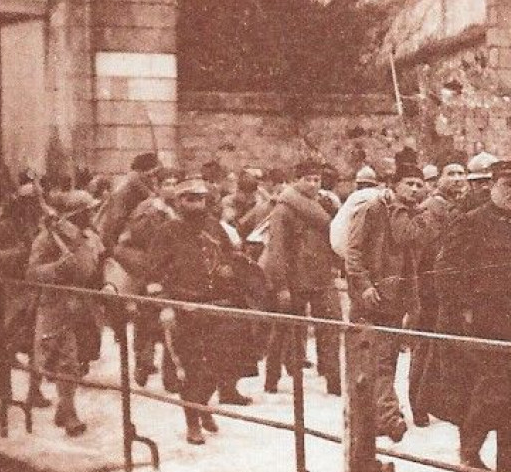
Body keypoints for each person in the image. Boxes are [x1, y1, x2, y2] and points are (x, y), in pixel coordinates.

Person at [436, 160, 511, 472]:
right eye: (506, 185)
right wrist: (464, 311)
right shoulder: (471, 222)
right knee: (491, 393)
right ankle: (469, 452)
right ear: (492, 186)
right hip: (487, 325)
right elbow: (446, 271)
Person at [147, 178, 250, 445]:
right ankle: (193, 422)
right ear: (179, 202)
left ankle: (203, 406)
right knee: (192, 369)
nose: (197, 204)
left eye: (201, 199)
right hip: (185, 309)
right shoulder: (167, 232)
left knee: (220, 364)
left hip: (216, 306)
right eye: (190, 199)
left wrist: (231, 271)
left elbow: (230, 259)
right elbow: (154, 275)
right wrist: (166, 306)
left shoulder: (214, 228)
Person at [344, 163, 428, 442]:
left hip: (395, 300)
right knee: (372, 360)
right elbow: (353, 253)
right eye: (409, 184)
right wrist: (364, 286)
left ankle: (377, 417)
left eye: (419, 184)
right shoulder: (373, 209)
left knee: (387, 360)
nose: (415, 189)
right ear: (395, 185)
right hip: (370, 298)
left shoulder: (413, 216)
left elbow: (412, 259)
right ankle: (388, 417)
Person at [260, 160, 343, 397]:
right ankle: (272, 377)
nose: (313, 184)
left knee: (330, 328)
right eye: (307, 179)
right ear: (297, 180)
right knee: (284, 328)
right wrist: (281, 285)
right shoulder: (284, 208)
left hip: (322, 277)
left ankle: (333, 379)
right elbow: (277, 249)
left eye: (316, 180)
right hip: (294, 279)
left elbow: (333, 237)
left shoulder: (324, 205)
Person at [26, 190, 106, 436]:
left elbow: (98, 264)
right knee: (65, 361)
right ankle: (69, 412)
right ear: (78, 214)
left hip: (84, 306)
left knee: (78, 362)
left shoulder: (89, 236)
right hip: (56, 305)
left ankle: (63, 405)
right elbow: (32, 272)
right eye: (89, 210)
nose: (93, 214)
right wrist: (57, 268)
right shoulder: (48, 238)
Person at [0, 178, 50, 410]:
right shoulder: (4, 225)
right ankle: (5, 394)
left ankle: (34, 392)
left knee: (37, 344)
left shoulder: (38, 225)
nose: (35, 208)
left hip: (34, 288)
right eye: (31, 204)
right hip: (11, 292)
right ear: (22, 204)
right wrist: (15, 254)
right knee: (9, 346)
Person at [408, 153, 468, 427]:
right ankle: (417, 404)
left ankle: (436, 400)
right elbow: (422, 253)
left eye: (461, 174)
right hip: (429, 288)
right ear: (438, 179)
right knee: (424, 347)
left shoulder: (457, 207)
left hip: (449, 288)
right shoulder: (431, 209)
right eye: (451, 174)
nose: (457, 179)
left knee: (442, 348)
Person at [112, 169, 182, 389]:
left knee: (171, 325)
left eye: (174, 183)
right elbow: (146, 242)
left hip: (169, 273)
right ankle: (143, 365)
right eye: (167, 183)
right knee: (147, 323)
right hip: (149, 273)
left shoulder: (175, 208)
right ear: (158, 186)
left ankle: (169, 377)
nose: (171, 187)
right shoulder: (150, 210)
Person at [96, 152, 161, 254]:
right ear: (147, 166)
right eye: (153, 169)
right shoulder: (134, 176)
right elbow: (148, 194)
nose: (153, 173)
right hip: (119, 213)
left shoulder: (136, 176)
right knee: (112, 242)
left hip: (118, 211)